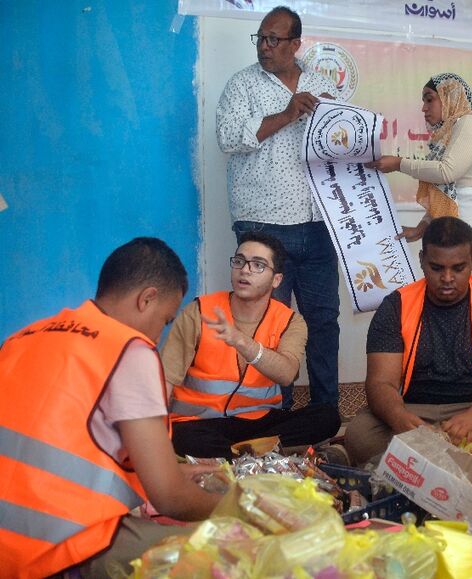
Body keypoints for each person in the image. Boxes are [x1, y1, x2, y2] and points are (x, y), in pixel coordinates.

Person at [0, 238, 222, 578]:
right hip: (53, 552)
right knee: (236, 549)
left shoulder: (23, 337)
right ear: (146, 298)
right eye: (164, 321)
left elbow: (63, 449)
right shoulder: (128, 349)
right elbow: (170, 498)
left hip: (7, 545)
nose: (159, 335)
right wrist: (235, 509)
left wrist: (169, 473)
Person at [216, 6, 341, 409]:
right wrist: (288, 114)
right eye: (261, 38)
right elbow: (230, 138)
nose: (265, 47)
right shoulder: (242, 85)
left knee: (324, 322)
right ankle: (277, 415)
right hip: (265, 226)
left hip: (320, 222)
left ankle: (325, 413)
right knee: (272, 324)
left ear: (295, 44)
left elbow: (340, 141)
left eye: (273, 39)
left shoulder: (322, 83)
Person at [345, 217, 472, 466]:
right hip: (415, 410)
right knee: (360, 434)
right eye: (436, 268)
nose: (447, 278)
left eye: (458, 268)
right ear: (422, 260)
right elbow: (381, 382)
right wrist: (401, 419)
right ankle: (463, 463)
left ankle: (419, 464)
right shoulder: (396, 305)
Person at [162, 231, 341, 458]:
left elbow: (287, 374)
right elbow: (166, 379)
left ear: (276, 279)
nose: (245, 270)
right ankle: (260, 456)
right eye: (239, 261)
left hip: (260, 423)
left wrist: (240, 341)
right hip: (200, 422)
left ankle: (240, 456)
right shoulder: (199, 312)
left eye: (258, 265)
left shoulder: (289, 321)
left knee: (326, 417)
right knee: (183, 437)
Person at [367, 72, 472, 291]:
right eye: (423, 101)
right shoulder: (447, 135)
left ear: (449, 96)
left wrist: (399, 163)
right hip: (470, 237)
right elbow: (448, 194)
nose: (424, 107)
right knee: (469, 315)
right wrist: (422, 227)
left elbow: (448, 172)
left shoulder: (470, 121)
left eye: (429, 99)